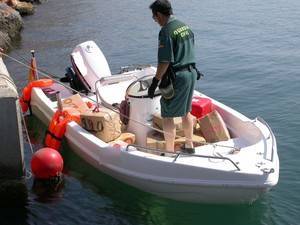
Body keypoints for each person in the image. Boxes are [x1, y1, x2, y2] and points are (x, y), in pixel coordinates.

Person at [148, 0, 199, 154]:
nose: (155, 21)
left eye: (154, 17)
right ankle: (189, 146)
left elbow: (164, 61)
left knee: (167, 113)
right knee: (186, 112)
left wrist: (155, 82)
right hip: (192, 73)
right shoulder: (185, 27)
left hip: (178, 76)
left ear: (158, 14)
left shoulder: (166, 31)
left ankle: (169, 151)